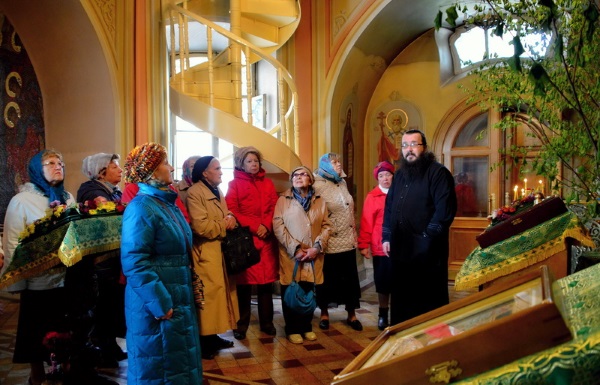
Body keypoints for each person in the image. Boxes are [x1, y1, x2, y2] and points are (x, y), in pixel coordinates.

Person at [120, 142, 202, 385]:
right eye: (166, 163)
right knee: (158, 367)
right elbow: (135, 262)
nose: (172, 168)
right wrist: (160, 303)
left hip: (176, 295)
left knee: (178, 365)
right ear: (152, 171)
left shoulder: (165, 203)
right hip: (157, 302)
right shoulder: (141, 208)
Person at [1, 150, 75, 385]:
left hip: (66, 278)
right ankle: (37, 378)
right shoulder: (22, 200)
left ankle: (65, 373)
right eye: (50, 163)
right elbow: (12, 243)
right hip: (36, 282)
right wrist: (19, 281)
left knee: (65, 330)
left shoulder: (68, 197)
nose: (58, 166)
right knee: (35, 334)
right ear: (36, 169)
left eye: (60, 162)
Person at [382, 129, 457, 326]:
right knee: (402, 302)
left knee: (428, 304)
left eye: (414, 144)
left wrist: (426, 239)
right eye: (405, 145)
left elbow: (444, 211)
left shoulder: (438, 173)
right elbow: (389, 208)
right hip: (401, 251)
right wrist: (387, 237)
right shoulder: (399, 176)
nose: (409, 150)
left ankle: (430, 347)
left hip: (427, 253)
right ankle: (402, 337)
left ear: (424, 147)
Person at [77, 153, 127, 368]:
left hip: (112, 259)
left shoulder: (112, 191)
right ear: (101, 172)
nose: (120, 170)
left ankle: (111, 346)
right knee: (104, 306)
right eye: (115, 166)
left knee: (113, 304)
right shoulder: (92, 191)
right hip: (101, 261)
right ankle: (103, 349)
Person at [186, 156, 239, 359]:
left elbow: (226, 214)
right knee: (207, 297)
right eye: (217, 168)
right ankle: (204, 340)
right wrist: (224, 225)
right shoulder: (194, 193)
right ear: (204, 173)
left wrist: (231, 217)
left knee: (219, 295)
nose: (221, 172)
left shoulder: (217, 191)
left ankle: (214, 335)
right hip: (205, 253)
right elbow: (201, 227)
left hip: (219, 251)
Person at [225, 147, 279, 340]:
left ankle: (267, 323)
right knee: (244, 287)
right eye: (249, 161)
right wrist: (257, 226)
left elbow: (275, 206)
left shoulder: (269, 184)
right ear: (241, 163)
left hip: (267, 239)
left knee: (266, 285)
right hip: (247, 240)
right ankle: (241, 325)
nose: (253, 164)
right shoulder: (234, 184)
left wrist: (267, 225)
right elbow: (232, 209)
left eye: (255, 160)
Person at [272, 166, 331, 344]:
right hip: (292, 255)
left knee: (309, 291)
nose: (298, 177)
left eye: (303, 174)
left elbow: (327, 225)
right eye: (295, 175)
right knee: (291, 290)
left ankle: (306, 327)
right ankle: (292, 328)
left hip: (314, 255)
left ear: (311, 179)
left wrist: (317, 247)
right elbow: (278, 226)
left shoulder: (320, 200)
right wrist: (295, 248)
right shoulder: (283, 200)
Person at [312, 153, 363, 331]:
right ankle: (324, 314)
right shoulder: (317, 185)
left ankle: (352, 315)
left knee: (349, 280)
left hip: (347, 240)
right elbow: (315, 214)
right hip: (330, 241)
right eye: (334, 162)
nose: (338, 164)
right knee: (327, 280)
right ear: (325, 165)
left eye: (339, 161)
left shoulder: (342, 182)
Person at [357, 161, 394, 330]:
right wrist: (364, 244)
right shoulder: (372, 196)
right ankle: (382, 314)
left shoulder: (400, 192)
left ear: (393, 176)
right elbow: (366, 222)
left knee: (400, 282)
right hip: (380, 247)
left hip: (401, 246)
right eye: (381, 176)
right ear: (377, 179)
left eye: (387, 175)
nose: (385, 178)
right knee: (383, 283)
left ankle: (399, 314)